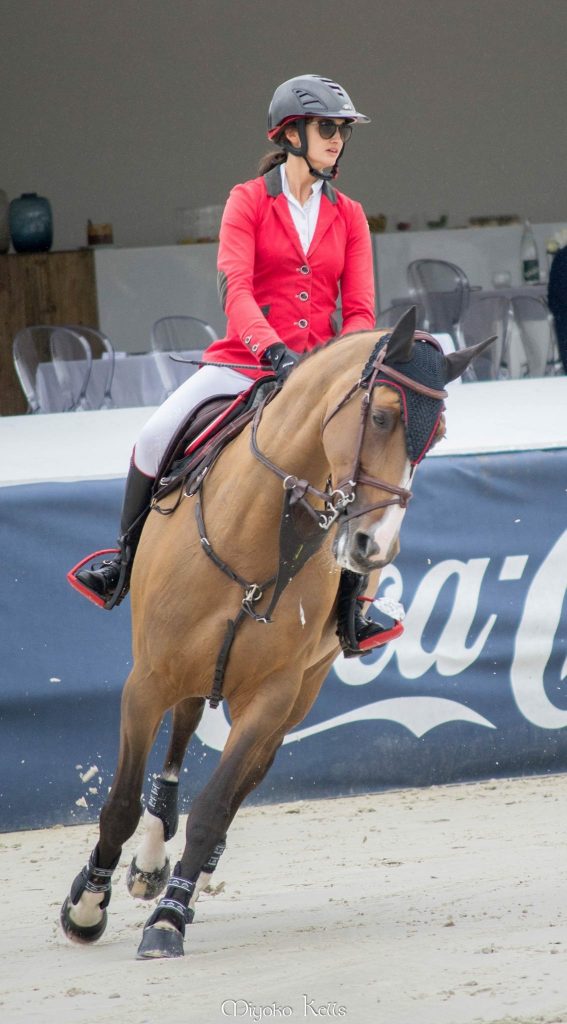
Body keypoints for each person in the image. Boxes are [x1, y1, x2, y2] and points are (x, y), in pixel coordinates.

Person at [73, 73, 398, 656]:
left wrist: (337, 370)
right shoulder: (247, 201)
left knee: (364, 473)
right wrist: (274, 352)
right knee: (152, 437)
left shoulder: (349, 215)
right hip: (247, 362)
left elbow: (362, 309)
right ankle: (122, 562)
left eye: (343, 131)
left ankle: (355, 611)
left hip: (323, 381)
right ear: (291, 133)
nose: (338, 141)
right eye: (328, 128)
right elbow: (237, 290)